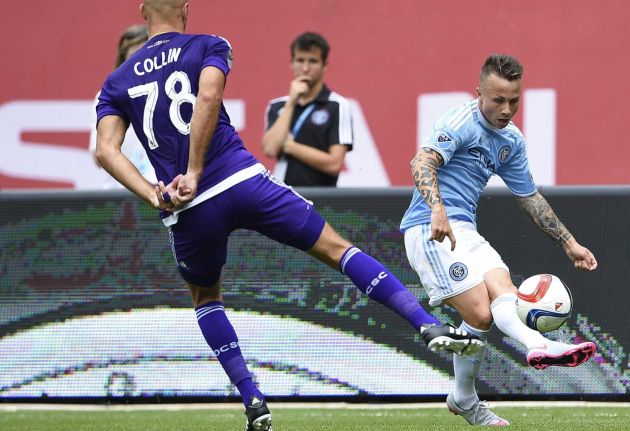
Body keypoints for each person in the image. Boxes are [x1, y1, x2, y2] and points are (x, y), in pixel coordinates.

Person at [94, 2, 480, 430]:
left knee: (206, 299)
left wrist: (152, 193)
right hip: (240, 181)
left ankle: (252, 397)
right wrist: (197, 170)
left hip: (188, 209)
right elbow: (208, 95)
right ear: (186, 9)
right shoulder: (209, 45)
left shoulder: (116, 81)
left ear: (142, 9)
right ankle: (425, 324)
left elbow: (105, 150)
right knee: (338, 249)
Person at [400, 54, 598, 426]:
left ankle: (470, 391)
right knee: (478, 312)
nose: (507, 109)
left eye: (515, 100)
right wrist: (437, 209)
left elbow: (529, 196)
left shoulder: (510, 140)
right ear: (479, 94)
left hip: (466, 230)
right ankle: (534, 346)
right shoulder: (459, 121)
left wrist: (568, 242)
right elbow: (421, 163)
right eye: (498, 100)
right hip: (429, 227)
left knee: (505, 289)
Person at [261, 32, 352, 187]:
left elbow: (334, 164)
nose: (305, 68)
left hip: (322, 200)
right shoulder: (277, 106)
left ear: (325, 65)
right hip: (283, 197)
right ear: (291, 63)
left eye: (313, 61)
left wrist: (290, 146)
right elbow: (270, 149)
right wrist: (291, 102)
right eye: (300, 60)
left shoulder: (337, 105)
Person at [88, 24, 157, 188]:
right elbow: (98, 155)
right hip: (119, 193)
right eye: (134, 57)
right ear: (123, 61)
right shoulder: (106, 97)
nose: (141, 63)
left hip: (165, 192)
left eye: (146, 55)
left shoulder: (171, 92)